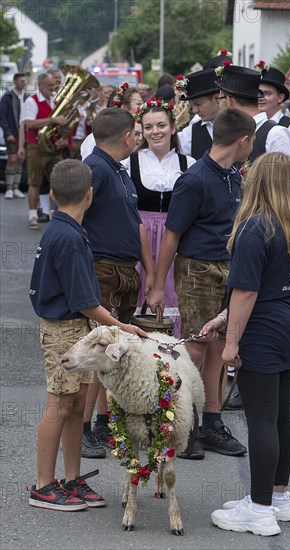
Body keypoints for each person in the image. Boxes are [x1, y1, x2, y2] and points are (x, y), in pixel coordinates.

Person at [28, 159, 146, 511]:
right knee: (60, 404)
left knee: (78, 405)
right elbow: (87, 302)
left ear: (51, 195)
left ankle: (72, 479)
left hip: (72, 327)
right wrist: (122, 327)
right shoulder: (70, 238)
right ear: (91, 195)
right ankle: (44, 485)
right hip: (65, 329)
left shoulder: (64, 230)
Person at [205, 152, 290, 536]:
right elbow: (262, 286)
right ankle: (277, 497)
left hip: (263, 328)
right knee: (281, 412)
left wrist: (230, 342)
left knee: (261, 417)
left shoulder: (254, 227)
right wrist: (222, 318)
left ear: (259, 181)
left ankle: (260, 508)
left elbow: (247, 292)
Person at [148, 108, 255, 459]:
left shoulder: (233, 174)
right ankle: (180, 424)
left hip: (229, 269)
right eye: (251, 141)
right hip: (197, 270)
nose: (251, 146)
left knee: (219, 351)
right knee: (195, 347)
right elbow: (171, 236)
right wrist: (158, 284)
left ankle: (210, 423)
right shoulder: (194, 180)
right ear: (243, 141)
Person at [80, 108, 155, 459]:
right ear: (127, 137)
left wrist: (150, 271)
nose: (138, 138)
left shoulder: (118, 170)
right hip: (103, 270)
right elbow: (71, 218)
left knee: (112, 352)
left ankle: (102, 420)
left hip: (123, 272)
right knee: (98, 350)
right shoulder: (95, 169)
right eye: (136, 133)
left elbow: (133, 222)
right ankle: (82, 427)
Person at [124, 97, 196, 336]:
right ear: (141, 131)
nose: (155, 132)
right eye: (148, 127)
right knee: (138, 299)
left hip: (177, 242)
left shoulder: (189, 164)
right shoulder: (128, 164)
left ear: (173, 128)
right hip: (139, 240)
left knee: (174, 296)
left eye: (161, 125)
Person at [18, 72, 68, 229]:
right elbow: (29, 124)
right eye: (50, 86)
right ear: (40, 85)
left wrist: (62, 138)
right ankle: (33, 216)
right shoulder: (32, 101)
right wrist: (53, 119)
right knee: (35, 182)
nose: (53, 88)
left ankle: (55, 215)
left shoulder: (55, 100)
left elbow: (60, 126)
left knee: (58, 181)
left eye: (54, 85)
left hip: (54, 148)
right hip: (37, 147)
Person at [216, 65, 290, 164]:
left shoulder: (276, 134)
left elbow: (284, 177)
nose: (218, 104)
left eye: (220, 98)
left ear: (229, 101)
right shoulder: (231, 130)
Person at [257, 64, 290, 186]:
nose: (260, 97)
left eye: (267, 93)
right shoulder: (253, 125)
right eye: (258, 92)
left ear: (280, 97)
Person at [80, 83, 142, 160]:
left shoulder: (138, 134)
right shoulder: (95, 139)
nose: (142, 108)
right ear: (124, 108)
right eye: (139, 104)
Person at [177, 68, 221, 159]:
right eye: (192, 106)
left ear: (217, 98)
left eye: (198, 104)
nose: (194, 110)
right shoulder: (188, 135)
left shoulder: (241, 125)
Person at [0, 72, 28, 199]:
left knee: (20, 160)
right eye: (21, 81)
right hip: (12, 133)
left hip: (24, 133)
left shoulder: (27, 97)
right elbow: (2, 116)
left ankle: (16, 187)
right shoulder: (8, 97)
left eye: (25, 81)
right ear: (15, 81)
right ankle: (9, 188)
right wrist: (7, 133)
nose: (24, 83)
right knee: (12, 160)